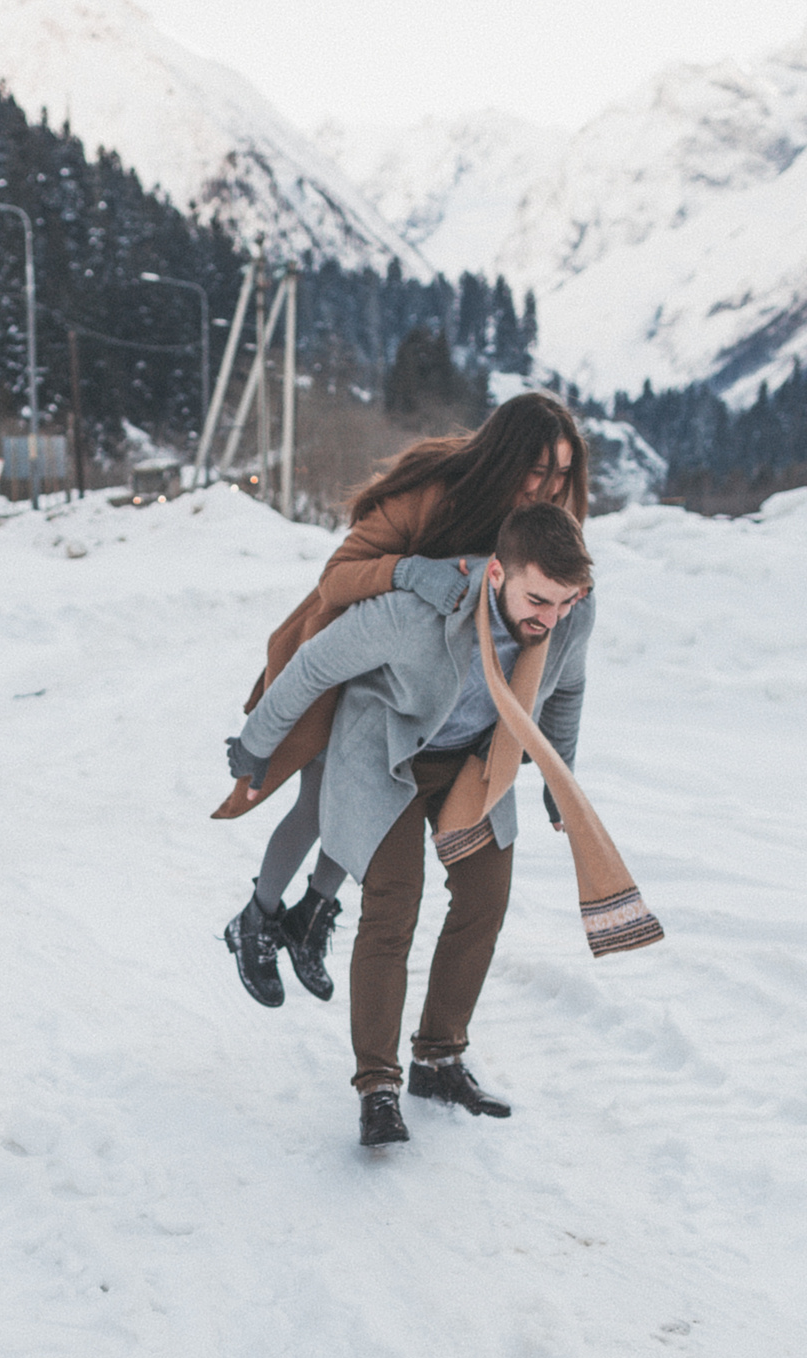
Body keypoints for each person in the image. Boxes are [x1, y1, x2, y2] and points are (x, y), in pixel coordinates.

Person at [223, 501, 595, 1147]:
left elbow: (567, 689)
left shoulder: (569, 617)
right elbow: (316, 663)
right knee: (394, 903)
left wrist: (560, 783)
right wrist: (256, 745)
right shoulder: (422, 611)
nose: (552, 618)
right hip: (385, 754)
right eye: (540, 599)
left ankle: (438, 1059)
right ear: (499, 575)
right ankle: (378, 1084)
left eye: (566, 603)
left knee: (485, 896)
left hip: (471, 764)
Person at [217, 391, 589, 1008]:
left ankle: (310, 915)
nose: (549, 485)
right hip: (352, 668)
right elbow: (336, 579)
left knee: (364, 806)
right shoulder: (438, 492)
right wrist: (409, 571)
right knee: (319, 802)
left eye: (562, 472)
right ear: (504, 457)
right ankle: (255, 921)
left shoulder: (543, 524)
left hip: (425, 696)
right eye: (537, 468)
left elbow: (560, 649)